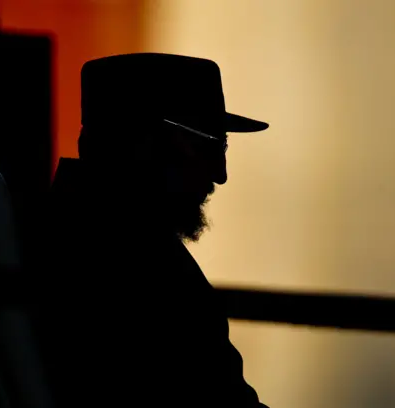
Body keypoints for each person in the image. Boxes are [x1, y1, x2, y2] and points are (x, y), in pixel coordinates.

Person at [38, 53, 269, 407]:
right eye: (211, 144)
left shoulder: (51, 234)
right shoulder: (146, 270)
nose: (220, 173)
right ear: (146, 140)